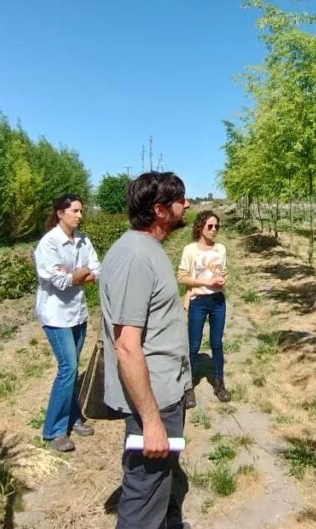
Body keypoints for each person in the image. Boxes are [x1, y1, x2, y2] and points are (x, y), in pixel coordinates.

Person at [99, 171, 191, 529]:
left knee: (157, 485)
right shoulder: (135, 257)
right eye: (180, 200)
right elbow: (126, 346)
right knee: (143, 495)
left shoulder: (148, 251)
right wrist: (151, 421)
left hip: (166, 392)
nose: (187, 205)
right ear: (160, 210)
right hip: (152, 400)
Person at [33, 193, 99, 452]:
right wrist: (77, 275)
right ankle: (54, 430)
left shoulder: (83, 241)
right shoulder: (49, 244)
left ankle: (73, 417)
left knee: (72, 368)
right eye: (75, 211)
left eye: (81, 211)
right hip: (56, 315)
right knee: (68, 368)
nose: (80, 215)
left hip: (78, 313)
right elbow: (58, 281)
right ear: (60, 213)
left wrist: (77, 275)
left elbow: (97, 268)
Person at [177, 210, 229, 407]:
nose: (214, 229)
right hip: (198, 301)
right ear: (200, 226)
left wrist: (223, 280)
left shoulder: (221, 249)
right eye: (210, 226)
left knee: (216, 343)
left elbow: (224, 272)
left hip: (217, 301)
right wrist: (205, 281)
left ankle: (219, 382)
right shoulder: (190, 250)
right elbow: (181, 277)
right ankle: (188, 387)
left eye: (216, 226)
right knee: (194, 345)